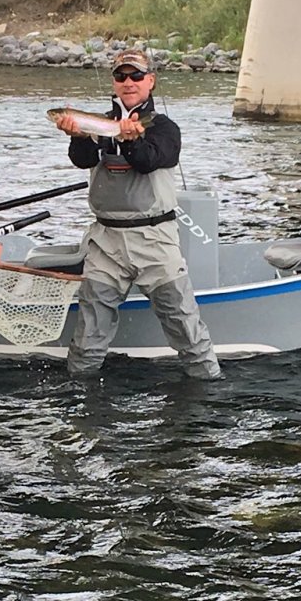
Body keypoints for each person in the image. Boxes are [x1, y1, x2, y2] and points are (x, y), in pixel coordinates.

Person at [53, 48, 220, 379]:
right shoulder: (99, 122)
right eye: (121, 76)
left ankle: (208, 392)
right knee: (89, 335)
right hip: (106, 241)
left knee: (185, 326)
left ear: (150, 81)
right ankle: (81, 400)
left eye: (136, 76)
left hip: (155, 239)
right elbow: (83, 160)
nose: (128, 82)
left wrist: (129, 142)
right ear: (114, 83)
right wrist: (78, 137)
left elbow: (147, 161)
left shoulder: (164, 128)